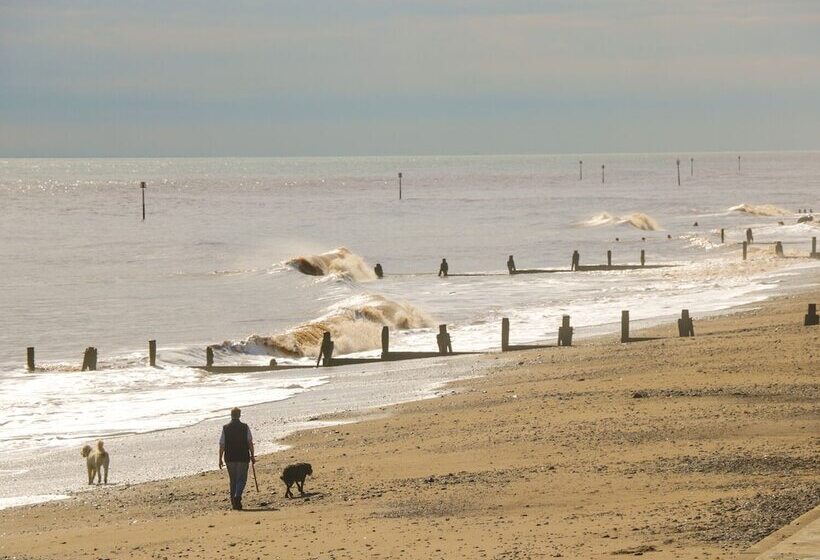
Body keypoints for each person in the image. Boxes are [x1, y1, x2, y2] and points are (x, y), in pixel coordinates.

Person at [219, 407, 255, 510]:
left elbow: (222, 445)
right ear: (239, 415)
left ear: (231, 415)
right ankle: (237, 496)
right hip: (242, 456)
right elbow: (250, 442)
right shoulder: (245, 427)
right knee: (241, 479)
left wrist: (220, 458)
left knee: (233, 480)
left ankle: (234, 503)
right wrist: (252, 455)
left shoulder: (225, 428)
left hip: (229, 457)